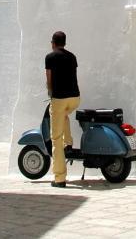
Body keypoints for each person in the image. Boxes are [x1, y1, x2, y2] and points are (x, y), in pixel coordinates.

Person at [45, 30, 81, 188]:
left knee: (55, 138)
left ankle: (59, 178)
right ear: (64, 43)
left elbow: (49, 80)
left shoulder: (50, 57)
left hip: (59, 99)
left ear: (53, 43)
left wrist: (50, 94)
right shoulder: (72, 56)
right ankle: (69, 143)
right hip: (75, 98)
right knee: (64, 115)